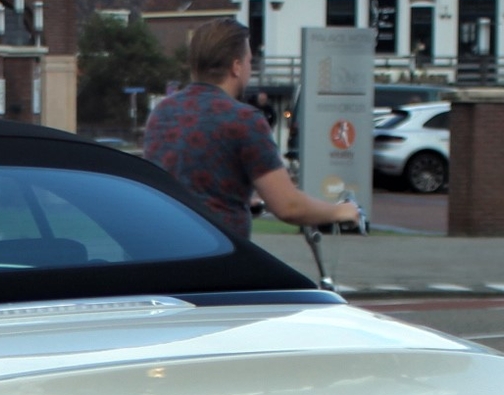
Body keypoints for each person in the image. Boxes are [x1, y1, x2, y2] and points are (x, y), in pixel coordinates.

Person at [143, 19, 360, 242]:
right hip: (215, 256)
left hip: (163, 247)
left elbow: (190, 183)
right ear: (236, 67)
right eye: (249, 61)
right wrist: (341, 211)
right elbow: (288, 206)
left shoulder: (162, 112)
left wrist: (241, 200)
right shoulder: (243, 119)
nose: (250, 68)